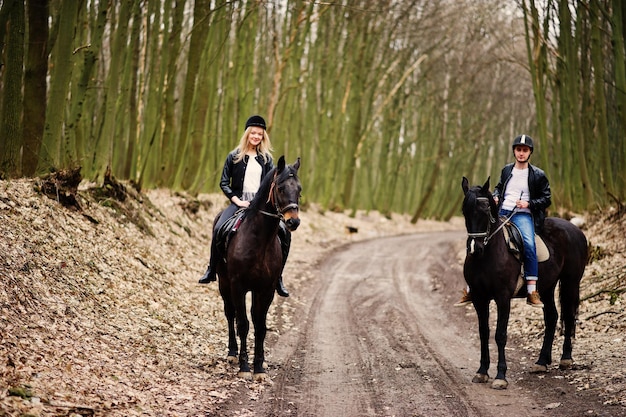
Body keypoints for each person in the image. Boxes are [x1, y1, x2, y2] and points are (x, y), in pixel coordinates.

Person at [198, 115, 291, 297]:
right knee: (219, 227)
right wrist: (237, 200)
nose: (256, 136)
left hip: (261, 206)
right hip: (239, 202)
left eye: (260, 134)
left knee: (285, 233)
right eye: (253, 133)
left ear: (263, 136)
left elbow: (271, 184)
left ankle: (278, 277)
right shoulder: (234, 156)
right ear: (247, 134)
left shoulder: (267, 159)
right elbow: (224, 182)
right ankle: (211, 269)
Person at [455, 134, 551, 308]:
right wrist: (497, 197)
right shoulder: (507, 170)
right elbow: (500, 187)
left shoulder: (538, 174)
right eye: (518, 150)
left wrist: (528, 203)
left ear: (530, 153)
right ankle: (471, 288)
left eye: (525, 150)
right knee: (476, 240)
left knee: (529, 244)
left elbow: (546, 198)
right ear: (514, 151)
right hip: (501, 212)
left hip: (522, 215)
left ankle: (531, 291)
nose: (521, 153)